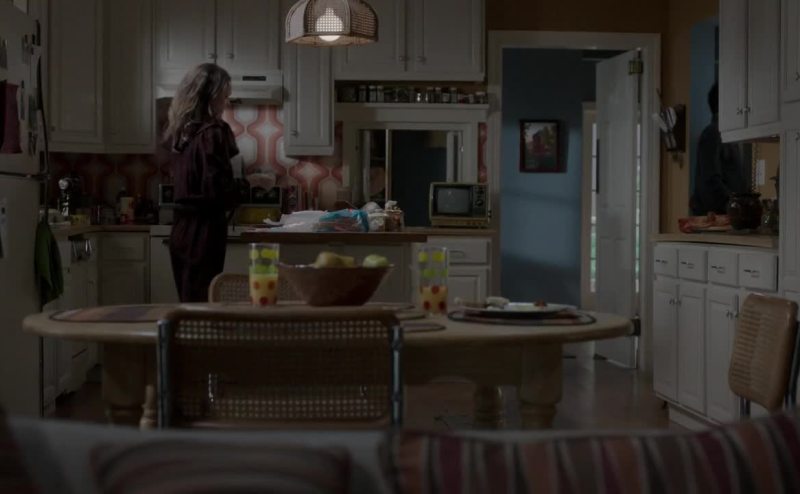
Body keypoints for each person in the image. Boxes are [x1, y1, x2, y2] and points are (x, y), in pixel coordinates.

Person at [163, 63, 241, 302]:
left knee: (189, 301)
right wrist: (251, 184)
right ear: (211, 95)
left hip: (181, 228)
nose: (226, 102)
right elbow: (217, 191)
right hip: (204, 231)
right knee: (203, 304)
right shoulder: (214, 131)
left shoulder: (182, 131)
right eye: (224, 96)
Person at [691, 83, 748, 215]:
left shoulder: (726, 135)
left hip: (728, 215)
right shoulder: (713, 134)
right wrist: (737, 205)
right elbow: (711, 181)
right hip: (717, 218)